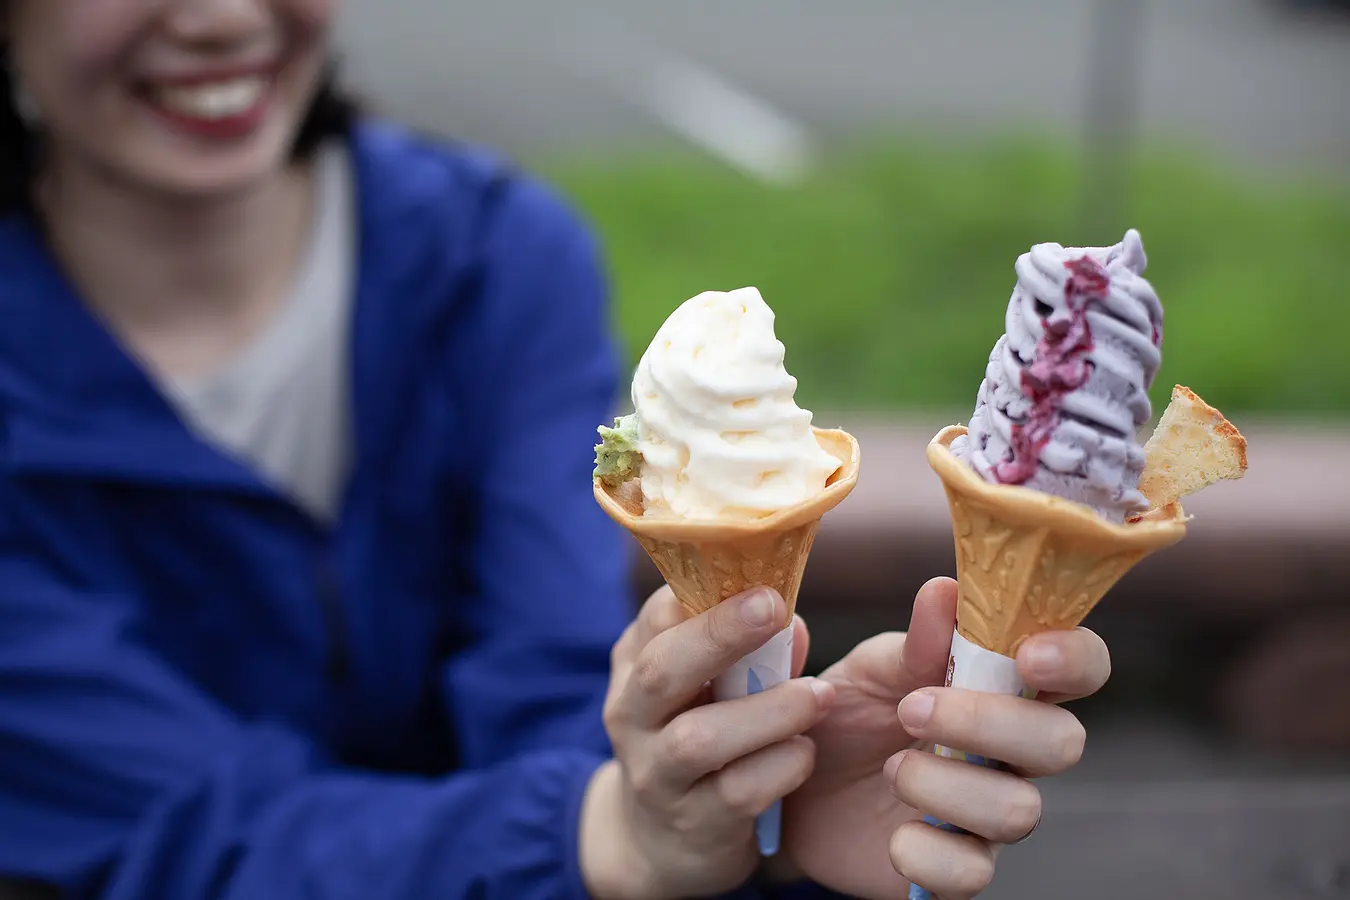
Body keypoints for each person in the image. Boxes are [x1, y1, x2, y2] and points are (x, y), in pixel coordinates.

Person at [0, 2, 1112, 899]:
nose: (220, 17)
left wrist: (749, 821)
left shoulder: (498, 260)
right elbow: (182, 831)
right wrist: (605, 835)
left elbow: (552, 693)